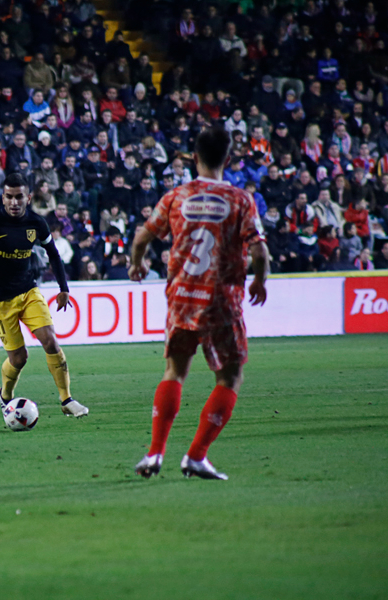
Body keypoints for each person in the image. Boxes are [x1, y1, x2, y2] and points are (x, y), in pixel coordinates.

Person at [129, 127, 269, 480]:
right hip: (221, 302)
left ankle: (154, 454)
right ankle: (195, 456)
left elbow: (142, 237)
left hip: (182, 298)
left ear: (194, 157)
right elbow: (259, 250)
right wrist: (259, 280)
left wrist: (136, 264)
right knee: (230, 376)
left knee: (175, 372)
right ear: (229, 159)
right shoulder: (240, 199)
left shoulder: (177, 195)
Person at [0, 172, 89, 422]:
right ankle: (5, 395)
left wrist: (64, 288)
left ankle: (67, 400)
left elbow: (54, 254)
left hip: (28, 291)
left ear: (28, 198)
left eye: (18, 197)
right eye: (9, 197)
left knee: (50, 341)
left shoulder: (37, 223)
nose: (14, 202)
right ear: (3, 198)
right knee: (19, 358)